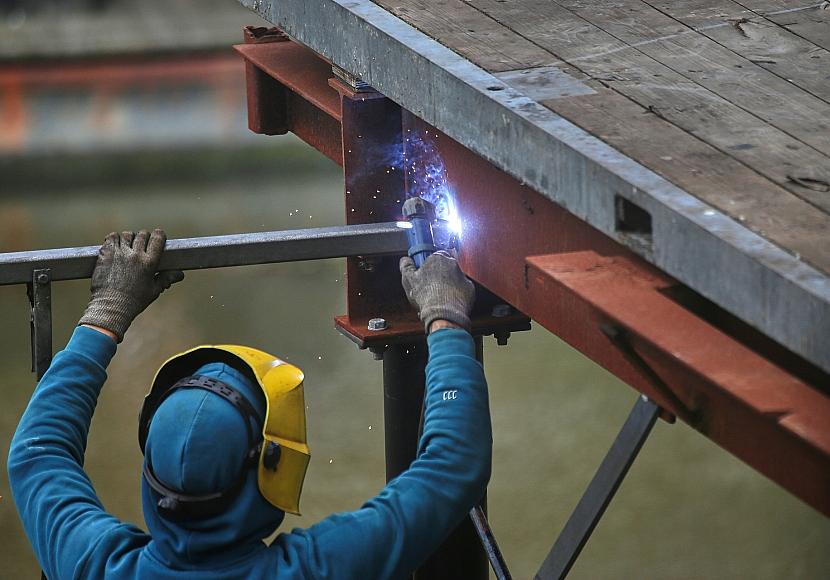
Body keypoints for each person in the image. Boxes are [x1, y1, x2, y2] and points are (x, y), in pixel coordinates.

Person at [8, 228, 491, 579]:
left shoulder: (97, 567)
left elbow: (38, 454)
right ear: (272, 469)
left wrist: (104, 315)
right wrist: (444, 315)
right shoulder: (321, 569)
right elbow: (451, 467)